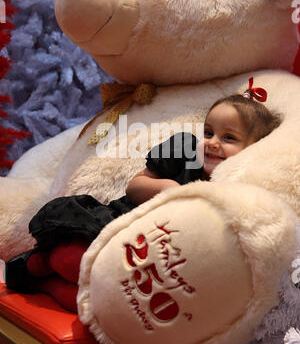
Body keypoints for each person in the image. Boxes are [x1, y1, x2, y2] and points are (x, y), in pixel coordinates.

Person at [5, 78, 282, 312]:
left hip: (148, 261)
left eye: (229, 138)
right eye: (209, 131)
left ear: (253, 149)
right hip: (119, 224)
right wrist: (168, 189)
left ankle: (43, 280)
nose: (212, 142)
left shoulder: (237, 187)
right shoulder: (186, 148)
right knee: (73, 260)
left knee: (103, 298)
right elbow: (134, 186)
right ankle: (40, 263)